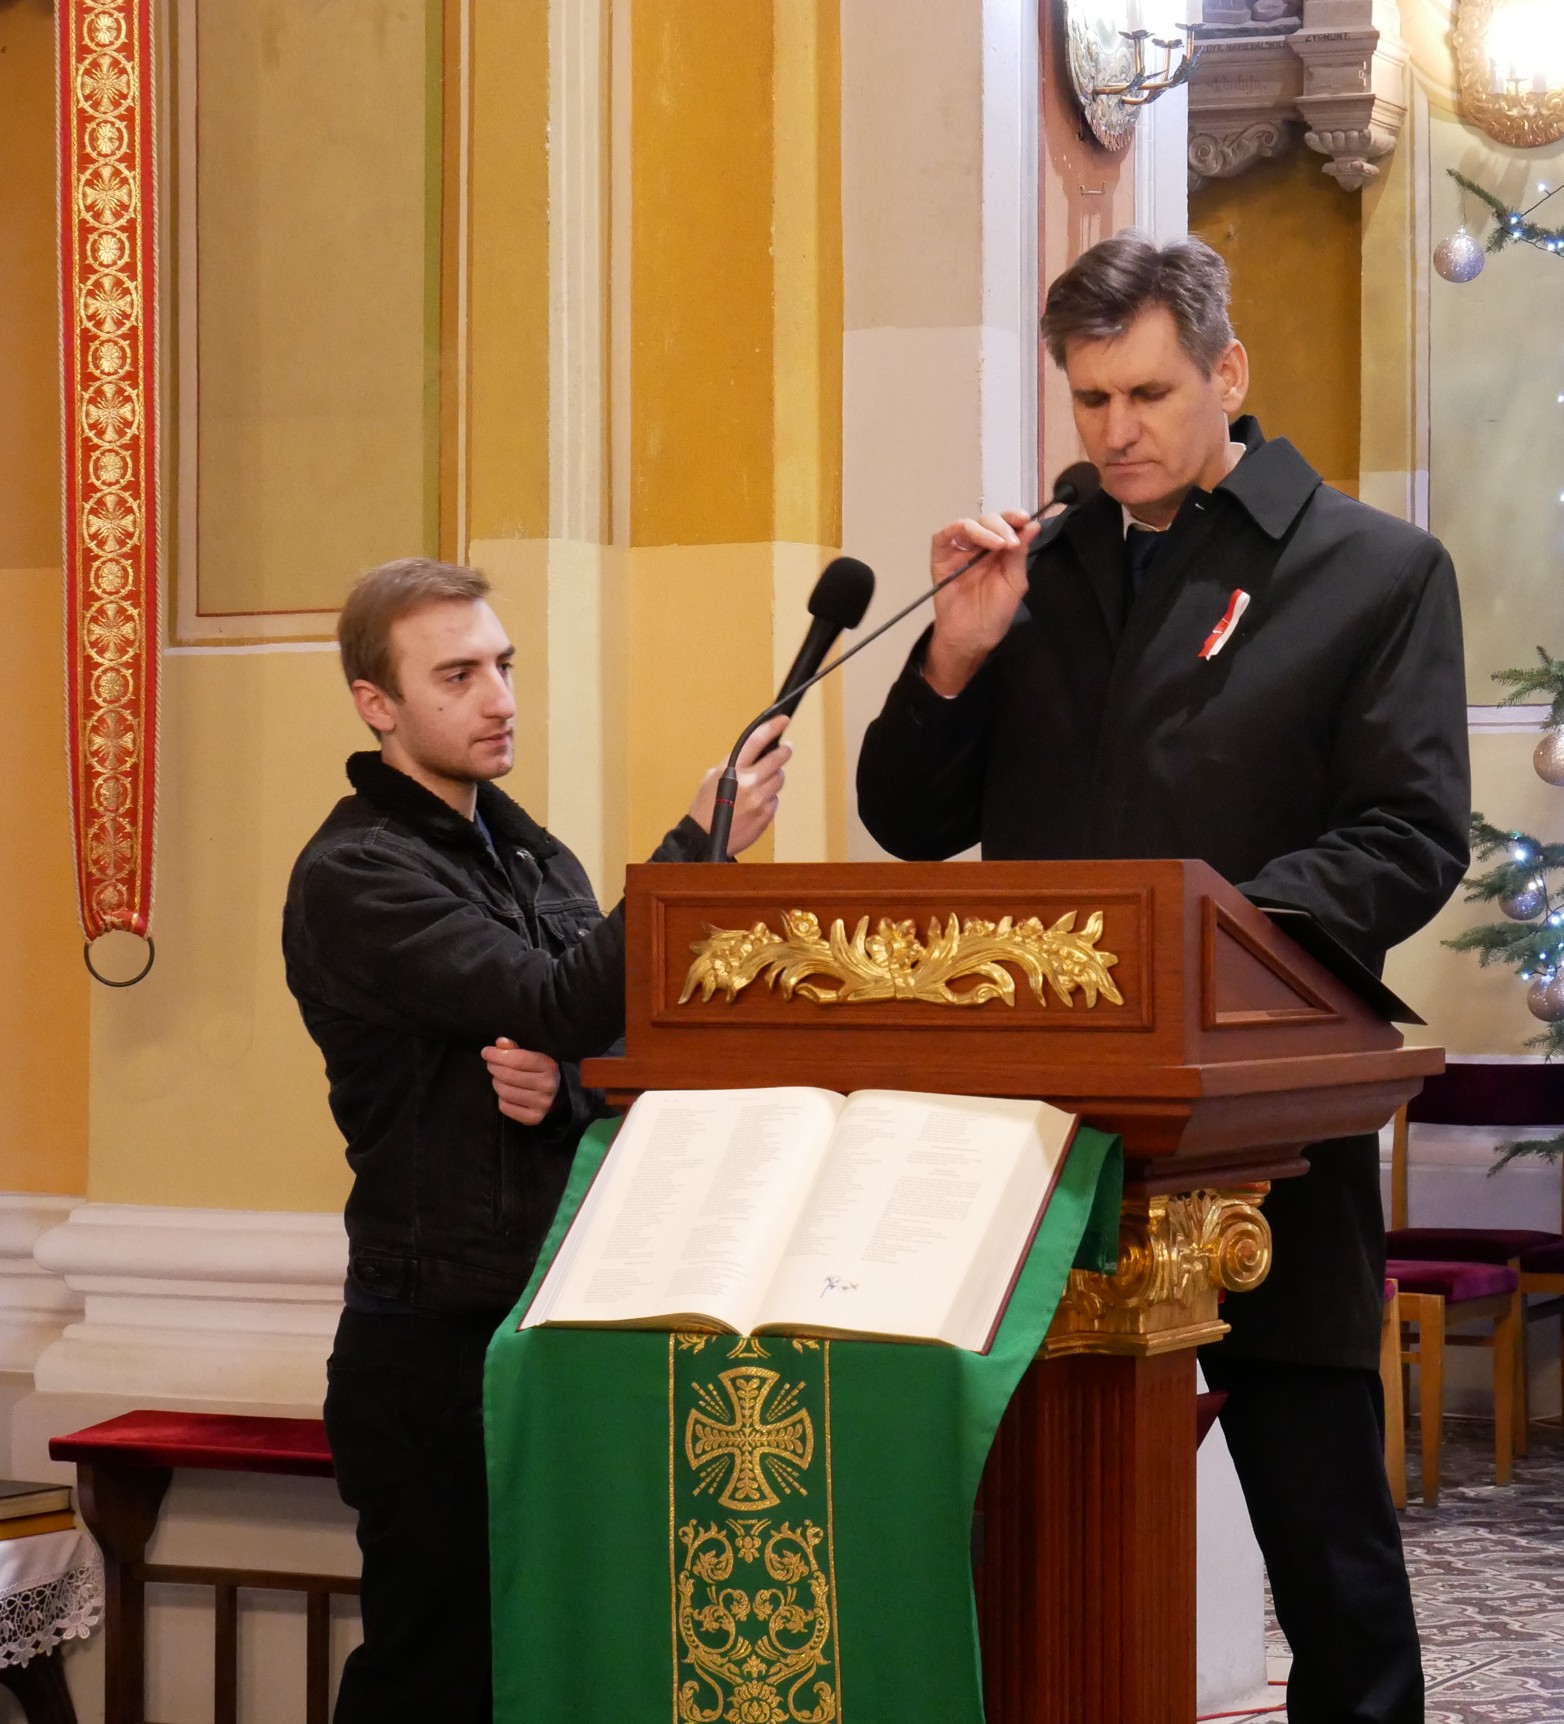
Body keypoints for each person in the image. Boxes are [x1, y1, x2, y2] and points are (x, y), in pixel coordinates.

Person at [857, 231, 1468, 1724]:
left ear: (1226, 372)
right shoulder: (1040, 571)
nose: (1116, 430)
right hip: (1046, 1128)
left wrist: (1209, 947)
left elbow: (1409, 833)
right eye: (1089, 400)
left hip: (1264, 1115)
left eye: (1147, 393)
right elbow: (909, 821)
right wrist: (953, 657)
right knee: (1036, 1517)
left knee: (1323, 1527)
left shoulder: (1371, 569)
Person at [281, 558, 789, 1724]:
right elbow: (558, 997)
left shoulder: (531, 852)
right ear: (376, 702)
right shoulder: (356, 870)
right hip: (435, 1337)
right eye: (457, 675)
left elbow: (613, 1038)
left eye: (503, 665)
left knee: (560, 1670)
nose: (500, 698)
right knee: (439, 1675)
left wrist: (565, 1088)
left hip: (559, 1305)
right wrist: (694, 848)